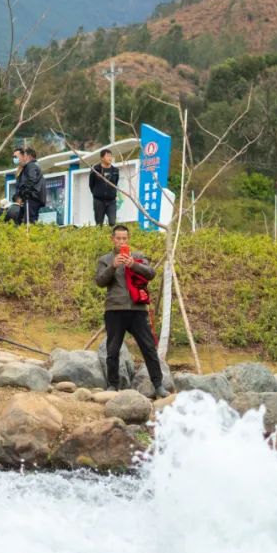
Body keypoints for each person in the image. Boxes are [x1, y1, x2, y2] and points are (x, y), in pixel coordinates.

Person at [95, 224, 168, 398]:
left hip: (137, 310)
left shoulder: (138, 256)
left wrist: (133, 264)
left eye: (124, 238)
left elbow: (150, 273)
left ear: (128, 239)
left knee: (149, 347)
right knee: (112, 350)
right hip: (114, 309)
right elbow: (99, 281)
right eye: (118, 238)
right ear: (112, 239)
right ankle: (113, 385)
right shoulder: (105, 259)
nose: (121, 242)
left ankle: (158, 385)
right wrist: (113, 266)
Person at [89, 149, 120, 226]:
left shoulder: (115, 170)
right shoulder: (95, 170)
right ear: (102, 158)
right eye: (107, 156)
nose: (110, 158)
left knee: (113, 222)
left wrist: (112, 194)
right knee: (99, 224)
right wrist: (97, 194)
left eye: (111, 156)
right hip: (99, 201)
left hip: (111, 201)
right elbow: (91, 184)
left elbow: (115, 183)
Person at [16, 147, 46, 224]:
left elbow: (31, 180)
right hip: (33, 197)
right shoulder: (33, 166)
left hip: (31, 198)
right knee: (31, 220)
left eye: (24, 155)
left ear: (29, 156)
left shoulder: (31, 166)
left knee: (29, 222)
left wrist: (24, 194)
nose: (23, 157)